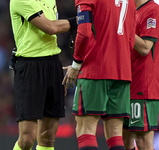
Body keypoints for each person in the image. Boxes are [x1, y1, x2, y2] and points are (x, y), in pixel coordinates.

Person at [62, 0, 136, 149]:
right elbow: (131, 39)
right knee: (115, 134)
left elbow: (84, 32)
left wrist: (76, 64)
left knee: (86, 129)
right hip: (122, 71)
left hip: (95, 70)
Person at [9, 0, 77, 150]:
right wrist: (80, 20)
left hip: (52, 64)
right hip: (29, 66)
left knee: (47, 137)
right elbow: (50, 27)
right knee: (27, 139)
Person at [123, 0, 159, 150]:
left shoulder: (152, 10)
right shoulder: (130, 11)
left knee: (142, 142)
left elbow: (145, 48)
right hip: (126, 83)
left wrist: (124, 26)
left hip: (144, 85)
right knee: (124, 140)